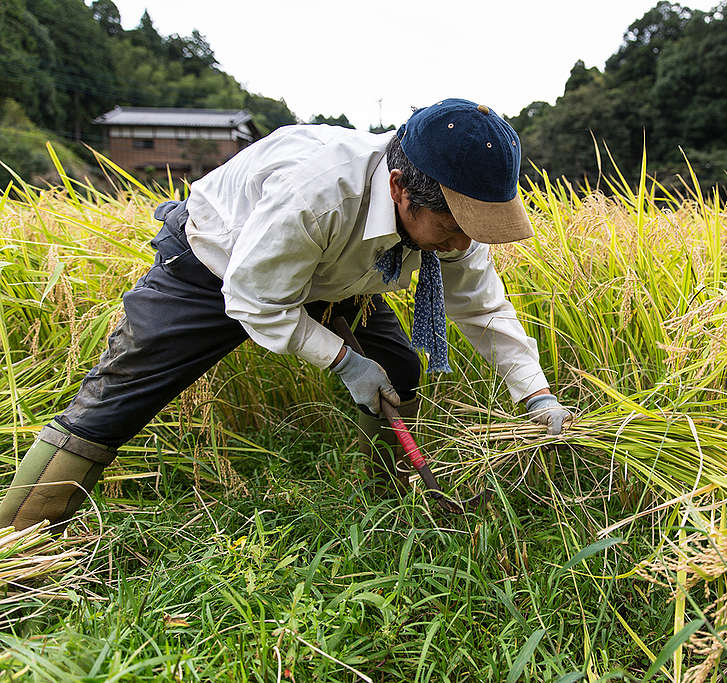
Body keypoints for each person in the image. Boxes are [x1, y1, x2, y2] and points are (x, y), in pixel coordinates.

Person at [0, 98, 571, 532]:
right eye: (452, 225)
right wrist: (344, 360)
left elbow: (482, 305)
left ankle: (396, 498)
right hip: (217, 264)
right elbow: (255, 298)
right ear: (400, 188)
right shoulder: (320, 191)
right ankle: (22, 546)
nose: (462, 242)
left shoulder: (448, 221)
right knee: (117, 400)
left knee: (397, 368)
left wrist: (535, 394)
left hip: (338, 275)